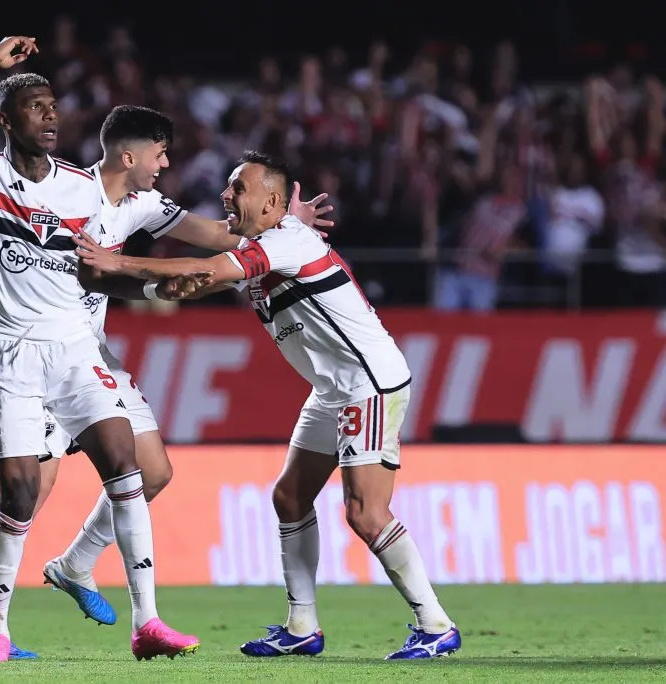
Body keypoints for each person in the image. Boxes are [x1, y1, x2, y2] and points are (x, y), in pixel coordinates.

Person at [0, 105, 334, 633]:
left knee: (152, 471)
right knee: (26, 498)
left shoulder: (141, 206)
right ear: (129, 154)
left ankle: (75, 565)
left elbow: (217, 237)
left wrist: (285, 225)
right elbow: (4, 264)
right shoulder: (61, 194)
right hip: (39, 360)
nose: (165, 163)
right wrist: (0, 352)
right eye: (159, 152)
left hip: (88, 359)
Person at [72, 150, 461, 660]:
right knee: (290, 499)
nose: (226, 195)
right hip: (332, 388)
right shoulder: (269, 240)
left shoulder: (285, 242)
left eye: (239, 188)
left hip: (367, 382)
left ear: (272, 201)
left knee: (367, 513)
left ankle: (435, 624)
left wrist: (118, 261)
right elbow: (201, 263)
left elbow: (209, 267)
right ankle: (302, 626)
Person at [0, 35, 198, 662]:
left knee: (128, 463)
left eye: (53, 107)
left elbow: (97, 269)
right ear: (5, 119)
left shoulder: (83, 190)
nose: (49, 116)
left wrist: (155, 281)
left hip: (74, 350)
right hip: (11, 355)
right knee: (19, 495)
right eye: (34, 106)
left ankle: (147, 622)